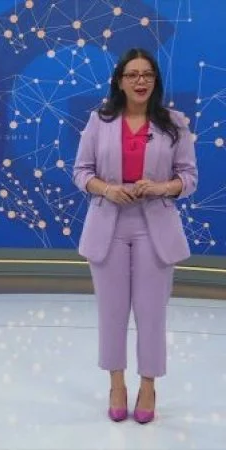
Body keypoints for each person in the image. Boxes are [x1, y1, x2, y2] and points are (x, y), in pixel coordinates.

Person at [73, 48, 198, 424]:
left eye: (147, 74)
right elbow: (81, 171)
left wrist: (162, 187)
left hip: (154, 227)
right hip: (108, 225)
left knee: (151, 314)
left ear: (155, 81)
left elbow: (189, 178)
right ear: (120, 82)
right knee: (112, 313)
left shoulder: (174, 123)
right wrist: (107, 189)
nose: (141, 81)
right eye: (133, 75)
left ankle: (147, 386)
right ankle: (116, 385)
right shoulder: (99, 120)